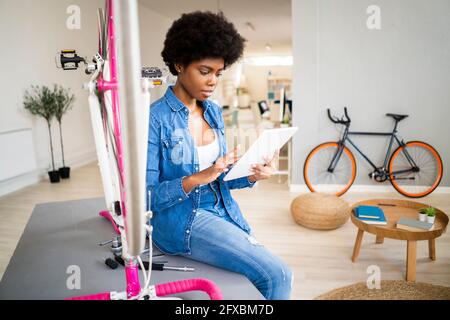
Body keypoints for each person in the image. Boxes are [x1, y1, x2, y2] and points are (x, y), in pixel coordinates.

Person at [146, 11, 292, 300]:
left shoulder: (211, 111)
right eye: (204, 71)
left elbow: (220, 177)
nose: (213, 81)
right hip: (183, 219)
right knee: (279, 274)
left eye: (218, 73)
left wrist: (251, 174)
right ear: (179, 64)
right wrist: (197, 178)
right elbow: (147, 198)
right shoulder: (154, 119)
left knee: (262, 276)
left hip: (221, 209)